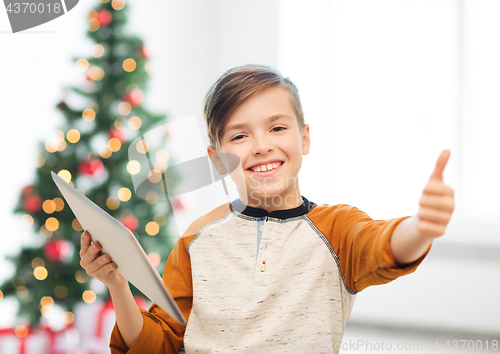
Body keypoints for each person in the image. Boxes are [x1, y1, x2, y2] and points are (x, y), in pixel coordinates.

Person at [79, 64, 455, 354]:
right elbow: (159, 345)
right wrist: (116, 283)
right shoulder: (196, 239)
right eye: (240, 136)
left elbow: (387, 245)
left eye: (277, 128)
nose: (260, 146)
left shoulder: (337, 229)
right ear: (217, 158)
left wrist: (422, 227)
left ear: (304, 138)